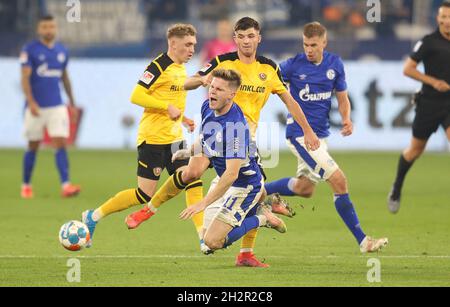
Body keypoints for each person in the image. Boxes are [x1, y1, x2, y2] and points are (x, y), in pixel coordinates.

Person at [125, 17, 320, 267]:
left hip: (242, 139)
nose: (247, 41)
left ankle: (248, 249)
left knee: (248, 187)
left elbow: (290, 102)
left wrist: (308, 131)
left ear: (258, 38)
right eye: (242, 36)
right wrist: (202, 80)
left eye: (251, 36)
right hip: (215, 129)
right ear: (235, 39)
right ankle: (149, 209)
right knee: (192, 170)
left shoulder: (269, 69)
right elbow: (190, 81)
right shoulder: (222, 63)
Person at [264, 22, 388, 253]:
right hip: (301, 136)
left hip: (320, 136)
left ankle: (259, 191)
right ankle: (364, 241)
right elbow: (266, 77)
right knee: (339, 181)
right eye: (305, 44)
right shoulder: (292, 66)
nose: (308, 49)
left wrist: (347, 118)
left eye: (313, 45)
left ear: (324, 43)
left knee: (304, 189)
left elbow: (342, 98)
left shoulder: (334, 64)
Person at [81, 24, 206, 251]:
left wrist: (183, 118)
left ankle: (203, 236)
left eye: (194, 45)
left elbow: (171, 98)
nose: (191, 50)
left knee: (192, 178)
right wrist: (165, 106)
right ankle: (94, 215)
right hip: (152, 139)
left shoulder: (180, 68)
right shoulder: (158, 65)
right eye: (188, 44)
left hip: (175, 138)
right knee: (143, 194)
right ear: (173, 43)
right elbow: (136, 95)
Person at [179, 69, 287, 252]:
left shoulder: (235, 128)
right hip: (225, 181)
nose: (212, 91)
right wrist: (188, 152)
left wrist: (203, 203)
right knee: (206, 240)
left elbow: (231, 174)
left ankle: (263, 218)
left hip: (244, 185)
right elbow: (206, 138)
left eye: (219, 89)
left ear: (231, 95)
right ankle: (260, 206)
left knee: (212, 243)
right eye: (212, 87)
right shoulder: (208, 107)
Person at [388, 1, 450, 213]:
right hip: (429, 103)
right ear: (438, 19)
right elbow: (408, 68)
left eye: (449, 17)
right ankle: (397, 186)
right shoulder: (429, 42)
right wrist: (434, 82)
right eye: (443, 17)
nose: (446, 21)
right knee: (414, 151)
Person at [20, 15, 80, 199]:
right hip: (36, 107)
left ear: (55, 28)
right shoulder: (30, 49)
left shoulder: (62, 50)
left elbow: (64, 77)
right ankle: (26, 185)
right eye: (44, 26)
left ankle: (66, 185)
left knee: (61, 142)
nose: (48, 30)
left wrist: (71, 102)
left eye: (51, 26)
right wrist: (31, 102)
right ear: (39, 30)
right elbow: (24, 78)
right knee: (33, 145)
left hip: (57, 105)